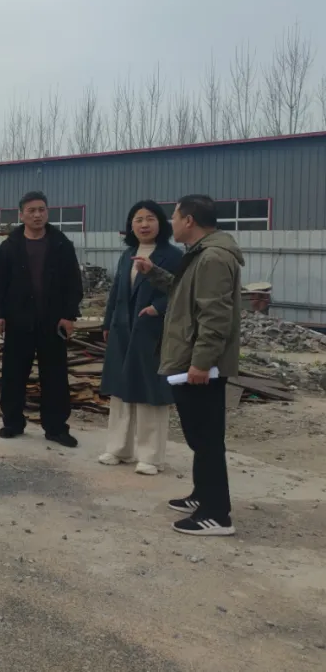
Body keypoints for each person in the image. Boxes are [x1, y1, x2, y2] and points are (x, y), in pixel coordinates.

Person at [133, 195, 243, 537]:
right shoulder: (200, 255)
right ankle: (202, 495)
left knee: (207, 439)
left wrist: (201, 363)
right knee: (199, 436)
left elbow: (215, 316)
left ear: (190, 220)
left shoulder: (212, 258)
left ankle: (217, 515)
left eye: (175, 216)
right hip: (192, 361)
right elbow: (185, 294)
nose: (172, 222)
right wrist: (155, 274)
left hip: (200, 367)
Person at [0, 191, 83, 448]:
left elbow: (73, 283)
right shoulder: (10, 246)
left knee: (55, 377)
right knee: (13, 375)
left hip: (53, 322)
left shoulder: (61, 244)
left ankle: (56, 428)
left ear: (47, 212)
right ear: (21, 215)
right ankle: (12, 422)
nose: (37, 215)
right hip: (18, 320)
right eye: (31, 211)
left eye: (42, 210)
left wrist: (69, 315)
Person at [98, 201, 182, 475]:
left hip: (152, 331)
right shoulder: (128, 255)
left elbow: (182, 291)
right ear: (131, 225)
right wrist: (108, 322)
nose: (144, 224)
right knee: (121, 389)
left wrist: (158, 308)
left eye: (150, 219)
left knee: (150, 392)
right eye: (138, 219)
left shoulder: (173, 256)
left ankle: (150, 457)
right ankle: (119, 449)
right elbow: (116, 292)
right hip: (123, 330)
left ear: (161, 223)